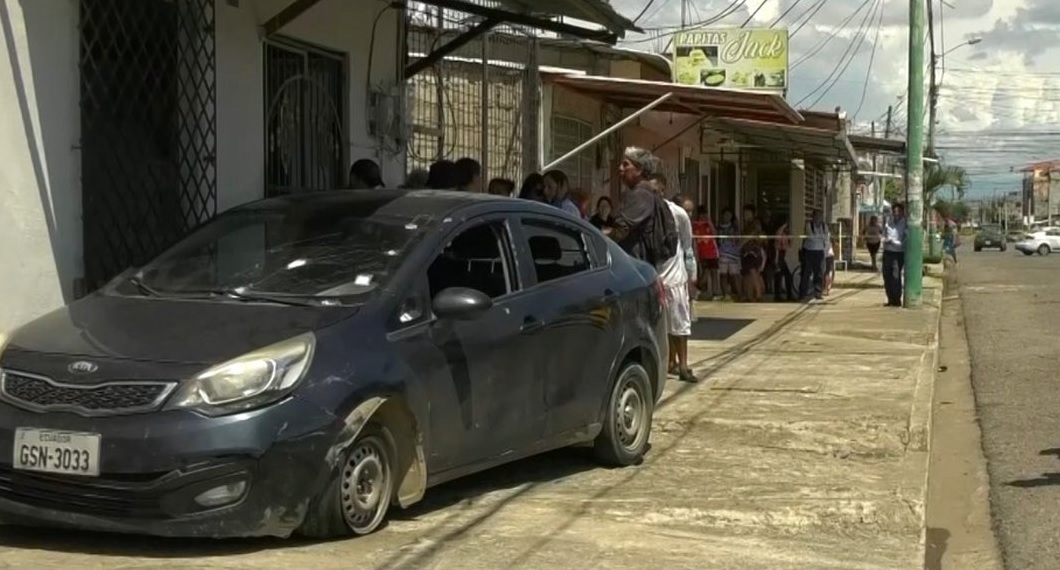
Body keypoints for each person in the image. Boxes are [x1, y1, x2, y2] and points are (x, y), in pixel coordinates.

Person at [649, 175, 697, 384]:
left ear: (663, 190)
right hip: (653, 277)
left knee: (680, 324)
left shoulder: (678, 214)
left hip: (675, 277)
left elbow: (687, 247)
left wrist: (691, 275)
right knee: (663, 325)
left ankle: (683, 365)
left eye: (657, 191)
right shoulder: (642, 212)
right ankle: (669, 362)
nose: (654, 196)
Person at [604, 146, 659, 263]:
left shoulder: (641, 195)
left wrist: (597, 236)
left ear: (639, 170)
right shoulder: (638, 193)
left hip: (634, 264)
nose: (620, 168)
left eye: (626, 165)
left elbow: (621, 230)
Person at [799, 209, 829, 302]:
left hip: (819, 252)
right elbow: (810, 237)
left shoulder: (824, 226)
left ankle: (818, 292)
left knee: (819, 273)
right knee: (805, 273)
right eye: (817, 216)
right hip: (809, 251)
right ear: (813, 216)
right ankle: (802, 294)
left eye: (820, 216)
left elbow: (826, 237)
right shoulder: (809, 225)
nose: (819, 218)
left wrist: (818, 237)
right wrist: (819, 237)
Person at [691, 206, 720, 301]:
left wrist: (709, 222)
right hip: (702, 252)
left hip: (712, 252)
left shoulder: (708, 224)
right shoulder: (694, 225)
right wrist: (696, 254)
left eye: (705, 214)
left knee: (714, 272)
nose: (703, 216)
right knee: (705, 272)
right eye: (702, 214)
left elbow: (715, 234)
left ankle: (716, 293)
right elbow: (694, 240)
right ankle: (697, 289)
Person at [882, 203, 907, 307]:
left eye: (898, 212)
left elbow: (906, 241)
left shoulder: (905, 223)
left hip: (898, 253)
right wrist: (884, 240)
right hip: (887, 252)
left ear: (902, 212)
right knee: (886, 275)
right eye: (894, 212)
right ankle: (890, 299)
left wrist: (894, 242)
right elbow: (883, 234)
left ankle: (897, 299)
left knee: (895, 276)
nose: (896, 214)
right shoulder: (889, 222)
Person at [739, 204, 765, 302]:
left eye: (748, 213)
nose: (746, 215)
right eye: (745, 213)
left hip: (753, 251)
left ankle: (758, 295)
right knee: (747, 274)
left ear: (753, 214)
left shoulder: (756, 223)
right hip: (745, 252)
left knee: (753, 272)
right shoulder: (746, 224)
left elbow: (752, 235)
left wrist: (742, 243)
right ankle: (749, 296)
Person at [716, 208, 740, 300]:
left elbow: (737, 239)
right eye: (725, 215)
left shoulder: (734, 227)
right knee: (723, 275)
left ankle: (738, 293)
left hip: (733, 254)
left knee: (734, 275)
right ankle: (725, 294)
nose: (727, 217)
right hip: (722, 254)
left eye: (729, 215)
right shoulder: (718, 228)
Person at [773, 216, 795, 302]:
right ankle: (778, 296)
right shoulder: (779, 233)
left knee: (784, 275)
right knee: (780, 275)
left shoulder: (785, 234)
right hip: (778, 255)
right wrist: (784, 225)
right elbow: (777, 242)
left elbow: (788, 245)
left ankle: (783, 295)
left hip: (782, 255)